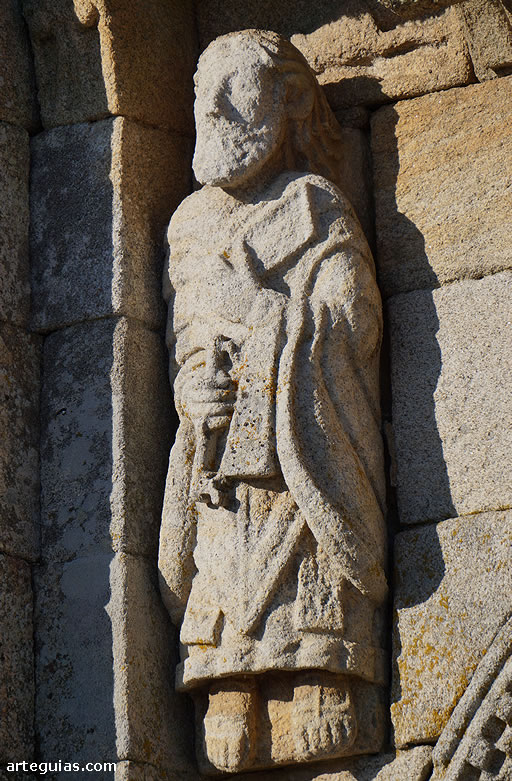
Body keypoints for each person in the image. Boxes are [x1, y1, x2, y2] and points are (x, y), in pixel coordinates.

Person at [159, 29, 388, 773]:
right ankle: (231, 683)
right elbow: (183, 340)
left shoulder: (315, 206)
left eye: (236, 86)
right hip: (221, 472)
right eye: (204, 90)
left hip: (302, 465)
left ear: (289, 99)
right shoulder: (189, 226)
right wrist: (193, 388)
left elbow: (353, 324)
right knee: (227, 726)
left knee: (310, 609)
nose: (215, 106)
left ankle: (323, 672)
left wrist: (274, 320)